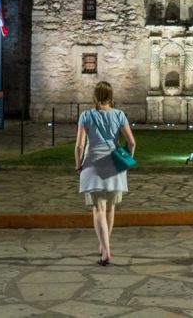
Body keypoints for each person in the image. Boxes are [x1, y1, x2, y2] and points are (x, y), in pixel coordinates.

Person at [74, 81, 136, 266]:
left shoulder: (86, 115)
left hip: (93, 163)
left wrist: (78, 164)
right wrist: (126, 160)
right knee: (110, 208)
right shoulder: (119, 115)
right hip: (114, 164)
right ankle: (104, 247)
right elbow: (132, 143)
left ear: (95, 96)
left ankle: (105, 250)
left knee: (98, 209)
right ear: (111, 96)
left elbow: (79, 146)